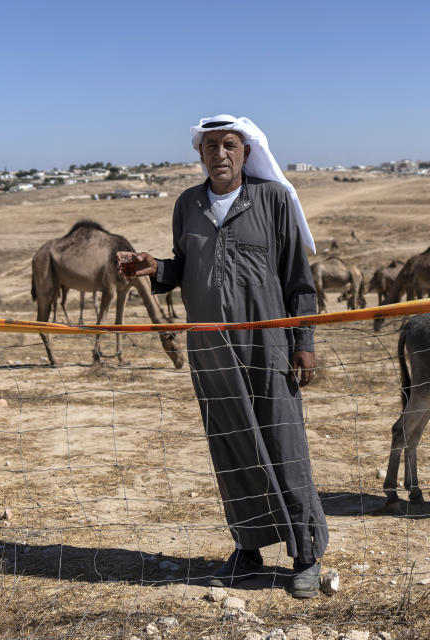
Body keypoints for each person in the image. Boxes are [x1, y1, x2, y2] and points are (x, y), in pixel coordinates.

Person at [117, 115, 328, 598]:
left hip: (268, 345)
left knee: (283, 444)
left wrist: (305, 342)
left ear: (246, 152)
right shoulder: (187, 204)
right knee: (231, 447)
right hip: (209, 348)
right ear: (200, 154)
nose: (220, 154)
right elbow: (186, 268)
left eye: (229, 145)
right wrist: (156, 268)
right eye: (210, 146)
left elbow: (298, 278)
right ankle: (248, 549)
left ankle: (306, 553)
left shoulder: (272, 199)